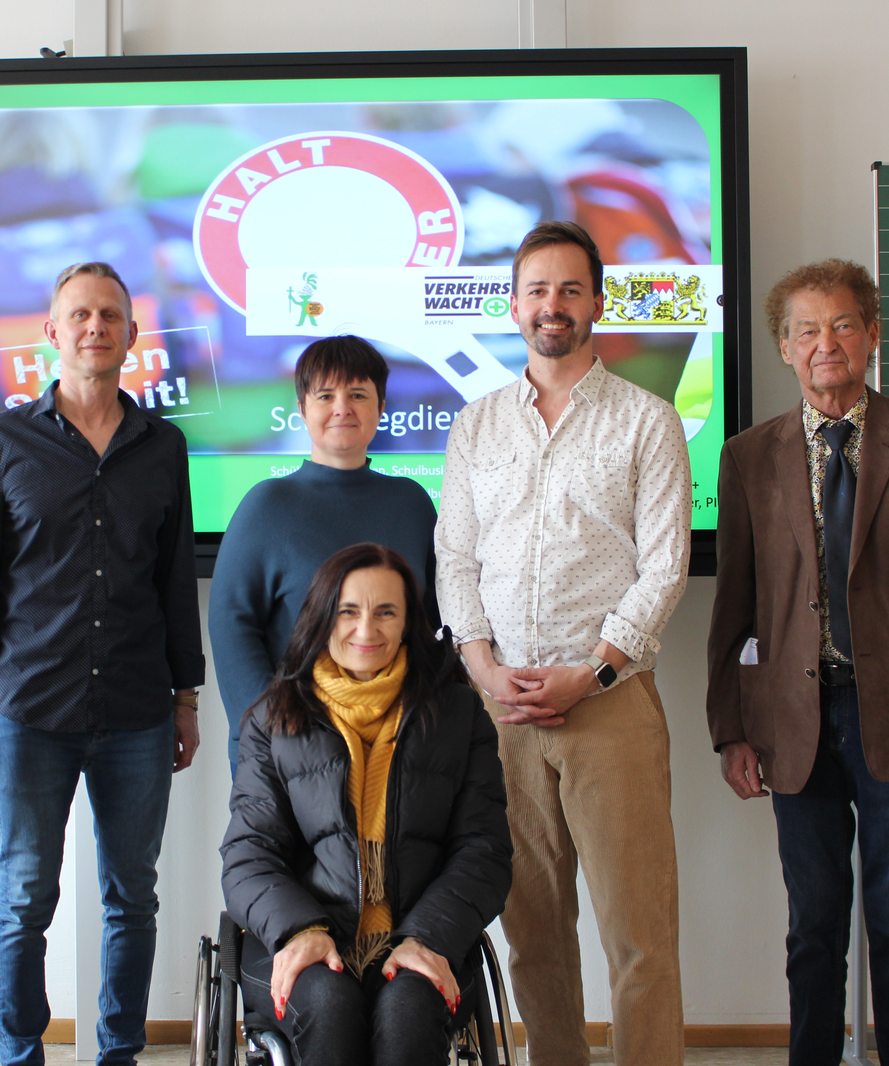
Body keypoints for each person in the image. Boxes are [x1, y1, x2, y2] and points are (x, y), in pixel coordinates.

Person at [707, 259, 889, 1066]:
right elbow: (735, 606)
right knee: (813, 926)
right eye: (806, 330)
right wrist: (732, 729)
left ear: (870, 335)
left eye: (840, 325)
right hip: (793, 724)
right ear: (784, 347)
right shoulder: (748, 457)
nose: (824, 343)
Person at [436, 221, 691, 1065]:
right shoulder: (476, 427)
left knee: (639, 937)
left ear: (597, 303)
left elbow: (665, 568)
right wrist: (482, 666)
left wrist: (593, 671)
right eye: (538, 290)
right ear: (514, 306)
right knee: (534, 936)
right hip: (502, 715)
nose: (554, 305)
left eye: (571, 289)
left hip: (609, 708)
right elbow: (454, 560)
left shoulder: (649, 422)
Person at [0, 261, 205, 1066]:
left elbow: (174, 578)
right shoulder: (2, 442)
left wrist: (185, 698)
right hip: (30, 710)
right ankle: (19, 1054)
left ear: (132, 335)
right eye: (80, 314)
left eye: (110, 315)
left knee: (132, 896)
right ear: (52, 333)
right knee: (24, 897)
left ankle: (118, 1052)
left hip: (138, 711)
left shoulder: (163, 446)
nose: (95, 326)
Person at [222, 543, 511, 1066]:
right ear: (322, 617)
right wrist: (300, 931)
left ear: (408, 624)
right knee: (329, 1008)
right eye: (348, 611)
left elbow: (483, 852)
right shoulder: (273, 717)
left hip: (424, 934)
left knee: (407, 1013)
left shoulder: (459, 714)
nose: (365, 629)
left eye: (386, 612)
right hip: (300, 935)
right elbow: (249, 854)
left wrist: (427, 937)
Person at [210, 335, 439, 773]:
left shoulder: (412, 503)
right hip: (287, 748)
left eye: (358, 395)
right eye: (325, 395)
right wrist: (272, 726)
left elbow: (428, 623)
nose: (342, 408)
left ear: (381, 407)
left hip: (394, 747)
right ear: (302, 408)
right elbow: (231, 623)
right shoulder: (267, 504)